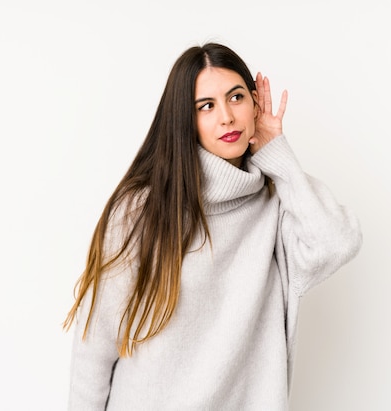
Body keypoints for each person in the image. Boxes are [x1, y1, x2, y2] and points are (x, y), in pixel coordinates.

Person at [63, 42, 362, 410]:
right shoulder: (143, 208)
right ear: (184, 121)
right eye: (206, 106)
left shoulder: (277, 206)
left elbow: (337, 243)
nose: (226, 117)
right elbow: (95, 345)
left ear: (255, 104)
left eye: (236, 98)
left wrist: (278, 155)